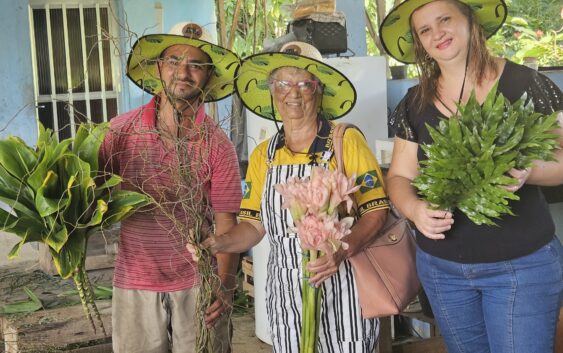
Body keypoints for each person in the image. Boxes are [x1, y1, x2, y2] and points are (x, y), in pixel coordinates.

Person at [380, 0, 563, 351]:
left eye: (445, 19)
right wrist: (415, 210)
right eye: (425, 30)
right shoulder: (414, 103)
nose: (438, 34)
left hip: (521, 268)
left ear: (470, 21)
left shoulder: (526, 84)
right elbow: (400, 177)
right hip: (442, 270)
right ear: (420, 43)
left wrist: (530, 171)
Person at [194, 41, 389, 352]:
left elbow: (377, 212)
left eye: (304, 83)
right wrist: (220, 242)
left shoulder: (344, 141)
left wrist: (340, 250)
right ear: (273, 92)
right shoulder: (264, 156)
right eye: (283, 83)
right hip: (286, 294)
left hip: (344, 287)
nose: (293, 93)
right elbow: (254, 227)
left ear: (319, 89)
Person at [99, 22, 242, 353]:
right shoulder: (120, 132)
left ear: (208, 76)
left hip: (199, 284)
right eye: (174, 60)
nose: (184, 72)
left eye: (196, 65)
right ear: (159, 67)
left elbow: (226, 225)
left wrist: (224, 286)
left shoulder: (218, 145)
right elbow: (90, 196)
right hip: (135, 281)